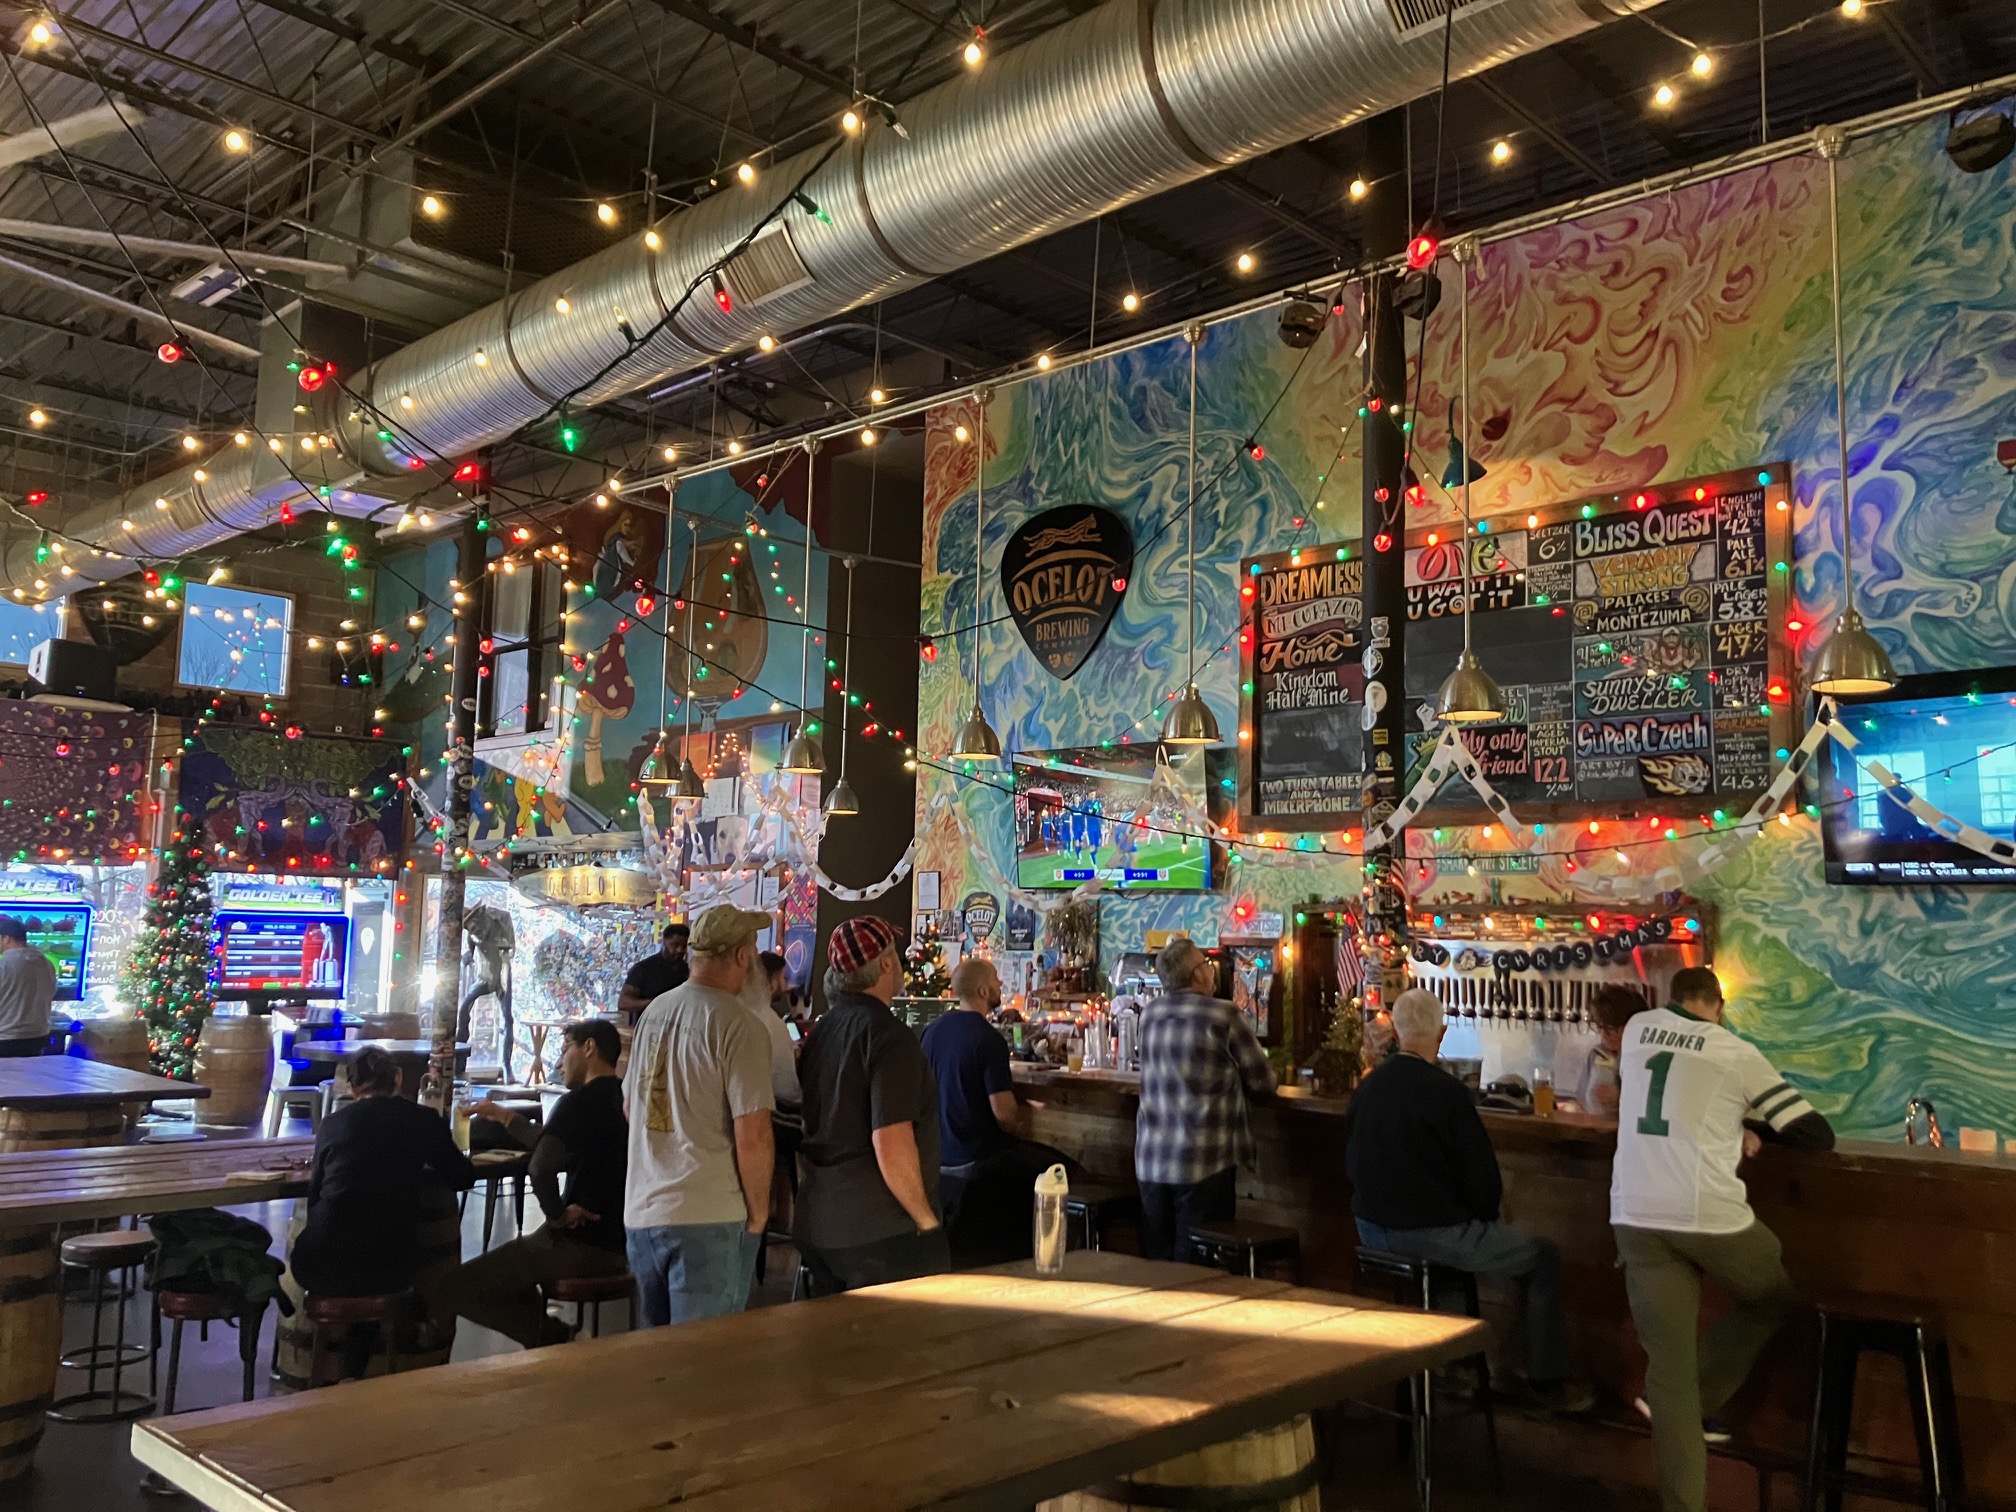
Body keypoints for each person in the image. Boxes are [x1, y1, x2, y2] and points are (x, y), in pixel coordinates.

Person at [1612, 966, 1835, 1512]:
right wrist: (1749, 1126)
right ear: (1719, 1007)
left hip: (1635, 1214)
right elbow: (1815, 1134)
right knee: (1772, 1295)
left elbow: (1665, 1097)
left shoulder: (1637, 1030)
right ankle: (1705, 1392)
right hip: (1707, 1214)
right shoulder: (1733, 1051)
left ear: (1673, 999)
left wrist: (1733, 1124)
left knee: (1669, 1382)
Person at [1346, 988, 1592, 1413]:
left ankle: (1453, 1370)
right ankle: (1545, 1384)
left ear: (1396, 1033)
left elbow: (1351, 1162)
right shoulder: (1448, 1093)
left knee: (1449, 1256)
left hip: (1369, 1230)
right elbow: (1482, 1182)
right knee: (1540, 1257)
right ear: (1441, 1033)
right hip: (1429, 1233)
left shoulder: (1367, 1087)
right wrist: (1481, 1219)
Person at [623, 905, 776, 1325]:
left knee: (657, 1356)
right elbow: (753, 1133)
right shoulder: (740, 1025)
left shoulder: (654, 1012)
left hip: (642, 1210)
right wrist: (759, 1215)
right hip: (709, 1215)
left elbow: (630, 1106)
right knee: (707, 1356)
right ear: (742, 957)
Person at [434, 1020, 629, 1348]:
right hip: (623, 1239)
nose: (559, 1062)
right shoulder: (624, 1098)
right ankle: (550, 1342)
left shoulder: (579, 1102)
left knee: (455, 1287)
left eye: (565, 1049)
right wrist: (502, 1116)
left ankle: (560, 1339)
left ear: (589, 1048)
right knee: (511, 1277)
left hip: (583, 1243)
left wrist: (557, 1216)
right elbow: (550, 1144)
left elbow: (541, 1167)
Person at [289, 1046, 475, 1376]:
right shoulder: (422, 1120)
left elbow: (315, 1196)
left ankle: (349, 1372)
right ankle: (366, 1364)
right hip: (389, 1267)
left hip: (318, 1264)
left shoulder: (332, 1124)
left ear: (352, 1087)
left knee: (359, 1255)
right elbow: (462, 1177)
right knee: (380, 1262)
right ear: (398, 1078)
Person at [794, 916, 947, 1293]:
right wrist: (926, 1221)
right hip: (878, 1229)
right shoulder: (889, 1037)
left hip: (818, 1221)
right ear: (886, 964)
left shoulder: (821, 1031)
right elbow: (891, 1142)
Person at [1134, 936, 1277, 1262]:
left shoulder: (1149, 1015)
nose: (1212, 970)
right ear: (1197, 974)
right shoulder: (1224, 1016)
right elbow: (1264, 1081)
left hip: (1151, 1159)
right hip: (1202, 1162)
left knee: (1156, 1263)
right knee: (1196, 1269)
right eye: (1207, 964)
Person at [923, 956, 1071, 1266]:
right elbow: (1003, 1114)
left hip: (939, 1158)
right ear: (982, 990)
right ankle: (1047, 1262)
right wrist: (1023, 1123)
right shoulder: (988, 1039)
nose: (1000, 984)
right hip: (979, 1159)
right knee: (1059, 1169)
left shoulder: (932, 1031)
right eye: (995, 979)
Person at [1575, 984, 1649, 1115]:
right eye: (1599, 1026)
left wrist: (1620, 1097)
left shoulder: (1646, 1058)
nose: (1604, 1035)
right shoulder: (1597, 1054)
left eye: (1611, 1028)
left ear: (1633, 1025)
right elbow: (1581, 1101)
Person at [0, 916, 55, 1057]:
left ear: (6, 939)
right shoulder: (47, 964)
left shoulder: (4, 965)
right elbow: (51, 993)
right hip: (38, 1038)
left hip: (5, 1039)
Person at [618, 922, 690, 1022]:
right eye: (675, 945)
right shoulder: (643, 968)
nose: (680, 950)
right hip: (649, 1026)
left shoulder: (687, 970)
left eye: (684, 946)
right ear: (663, 942)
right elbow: (623, 1003)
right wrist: (656, 1002)